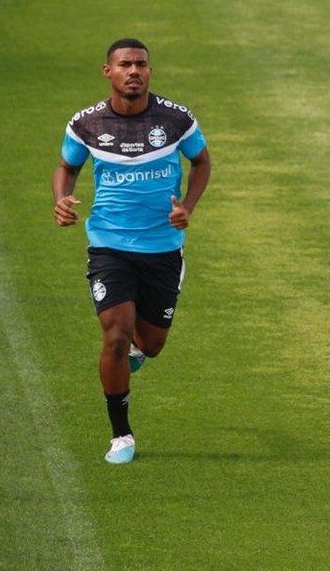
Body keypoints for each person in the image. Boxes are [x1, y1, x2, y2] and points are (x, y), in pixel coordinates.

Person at [52, 38, 211, 464]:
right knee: (115, 336)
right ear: (109, 71)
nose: (134, 71)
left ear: (150, 71)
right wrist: (61, 199)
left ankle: (139, 351)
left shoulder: (177, 120)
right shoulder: (86, 124)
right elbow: (67, 167)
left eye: (141, 64)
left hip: (162, 247)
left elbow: (202, 162)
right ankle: (121, 435)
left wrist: (187, 208)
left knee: (151, 344)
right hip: (109, 245)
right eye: (125, 64)